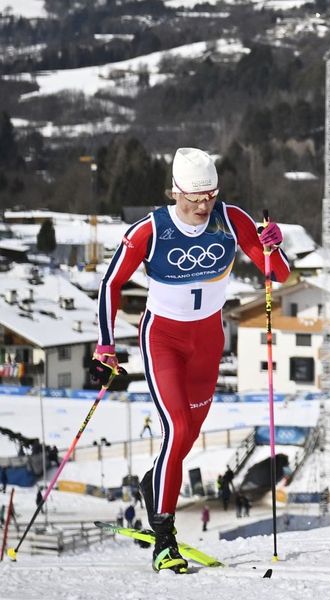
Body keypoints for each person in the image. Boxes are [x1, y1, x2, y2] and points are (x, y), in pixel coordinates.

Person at [90, 148, 288, 573]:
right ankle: (165, 539)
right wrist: (105, 344)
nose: (203, 206)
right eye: (195, 198)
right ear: (175, 192)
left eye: (210, 196)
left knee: (184, 440)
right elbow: (110, 284)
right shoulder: (150, 230)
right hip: (164, 340)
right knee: (176, 428)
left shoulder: (230, 219)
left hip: (208, 342)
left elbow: (277, 274)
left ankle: (153, 484)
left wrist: (274, 246)